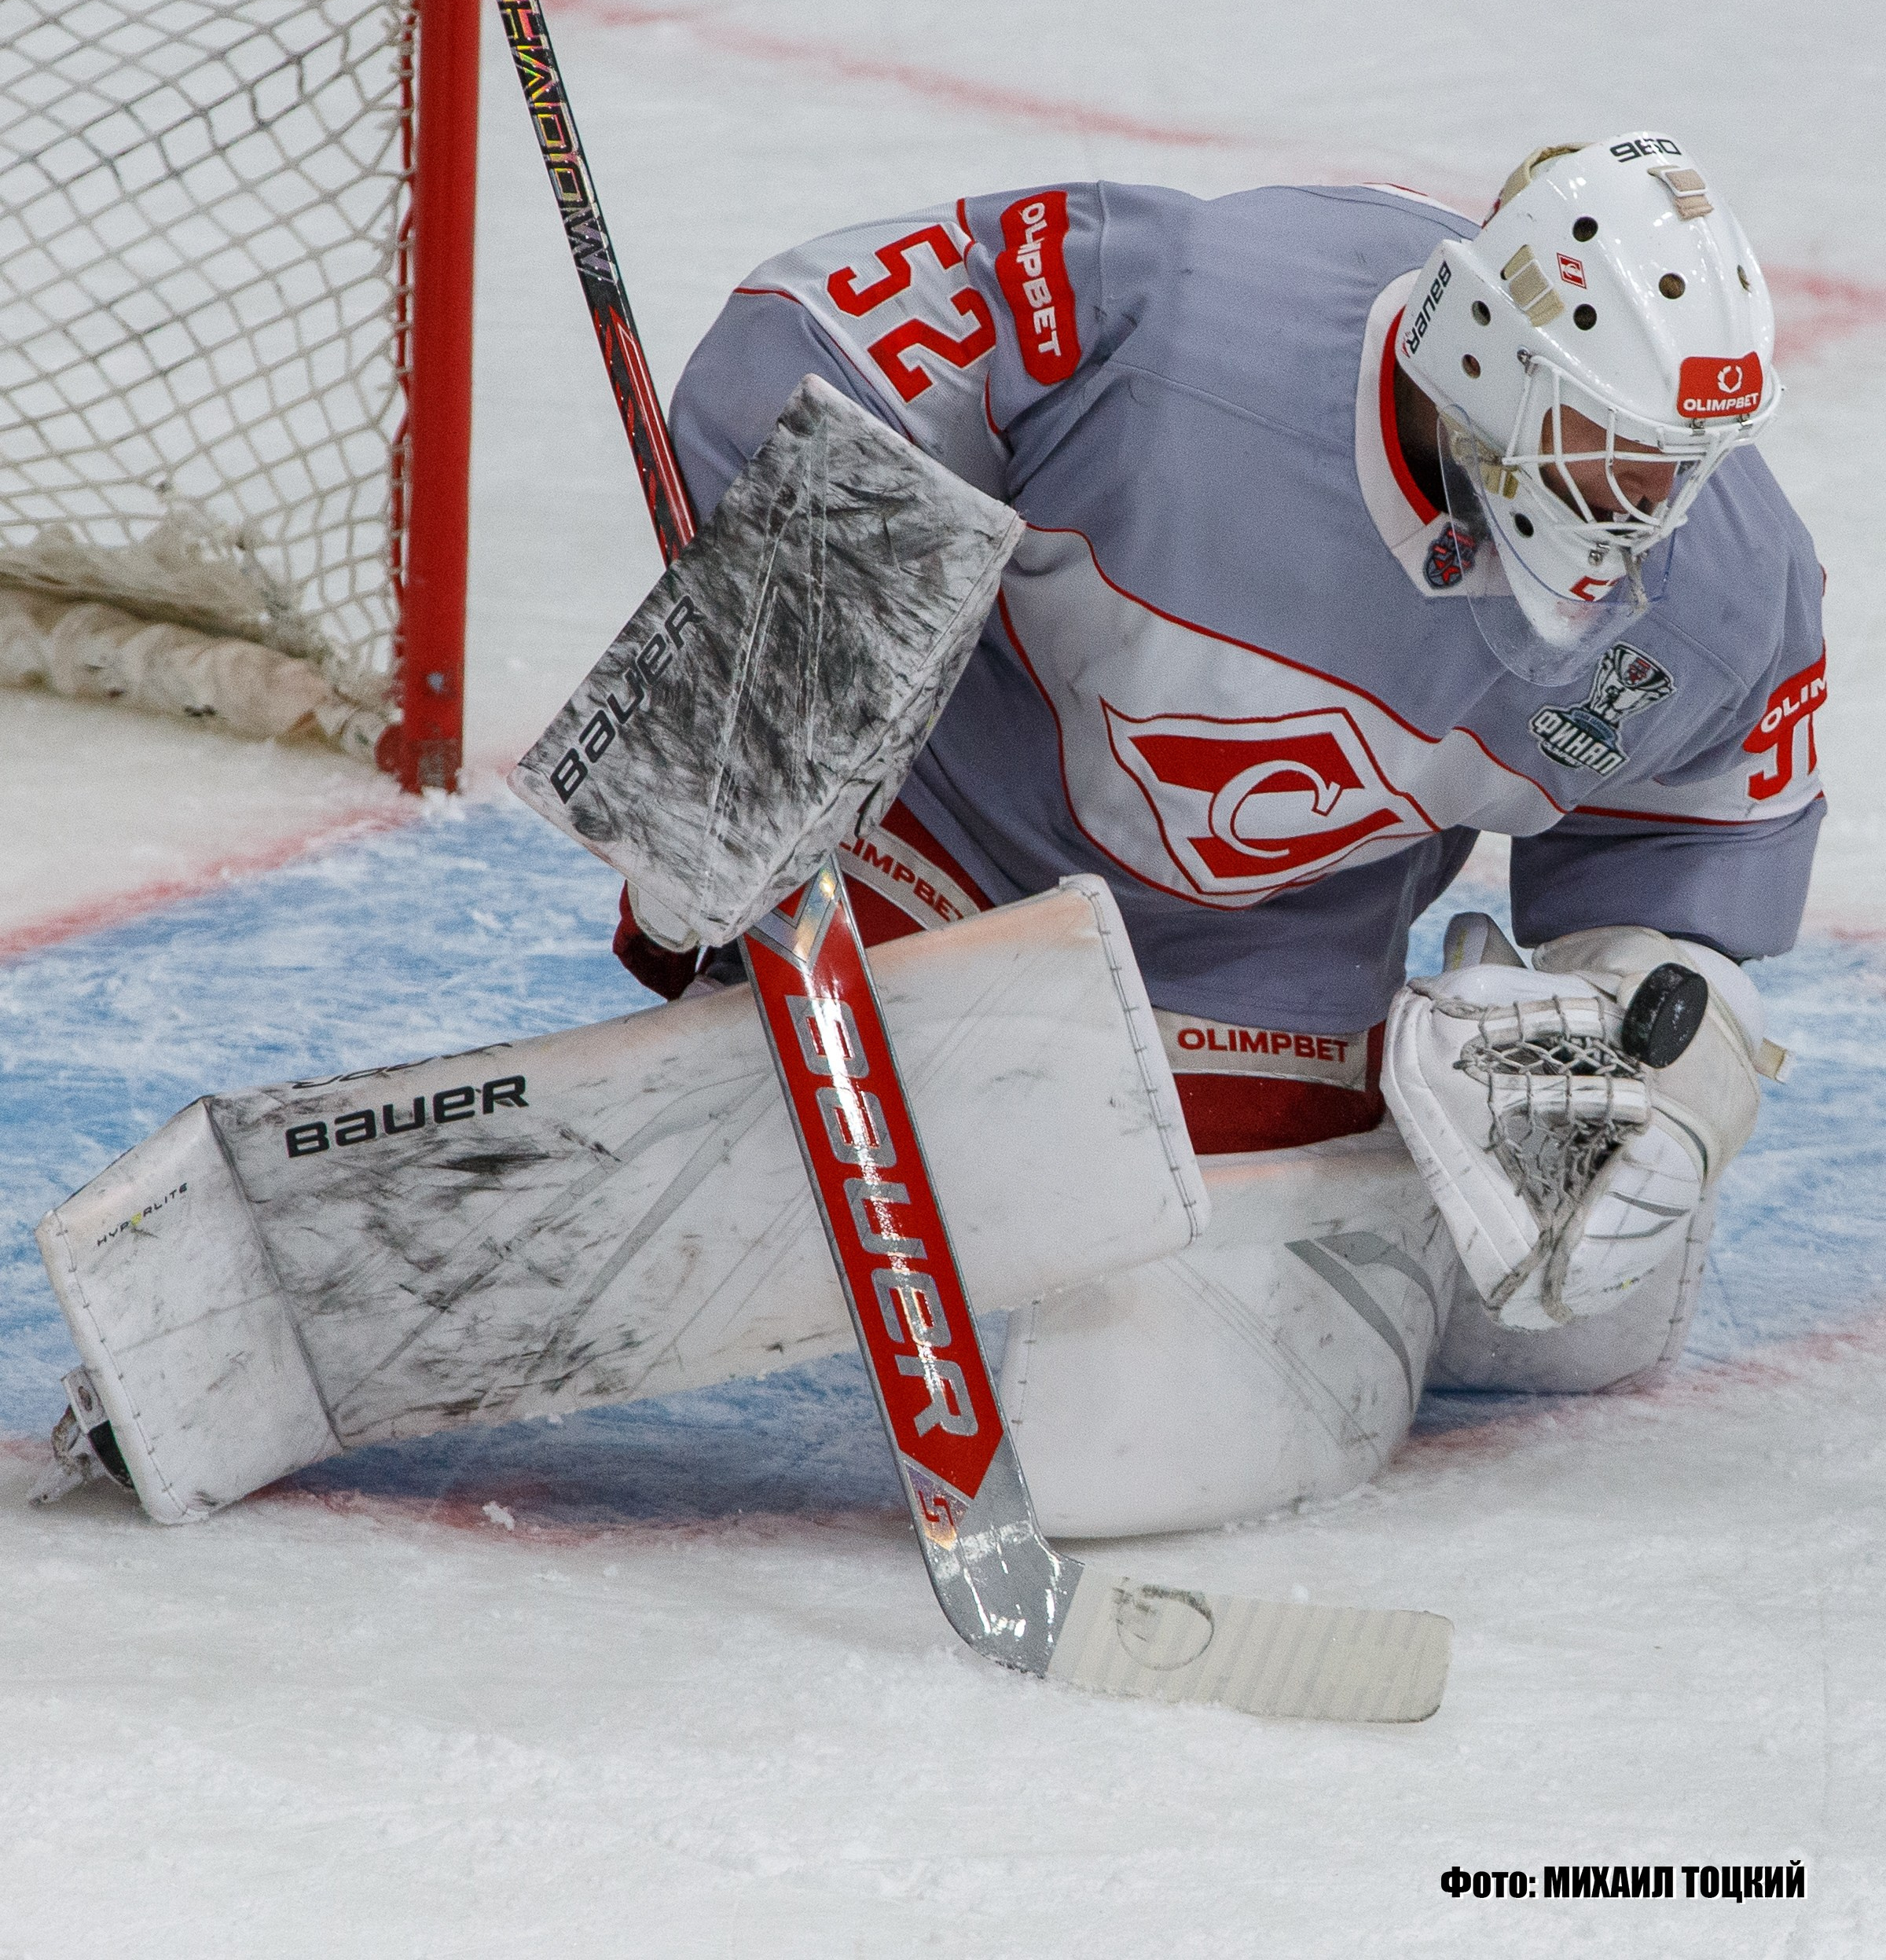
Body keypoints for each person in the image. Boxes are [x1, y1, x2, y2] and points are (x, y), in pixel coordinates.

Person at [615, 136, 1823, 1535]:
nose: (1645, 511)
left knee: (1123, 1444)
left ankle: (1435, 1221)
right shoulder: (1181, 313)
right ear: (1490, 356)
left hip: (1256, 968)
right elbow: (820, 331)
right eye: (1612, 447)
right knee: (737, 1075)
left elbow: (1696, 852)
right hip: (939, 821)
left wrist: (1663, 1063)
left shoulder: (1722, 583)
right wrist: (756, 693)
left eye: (1677, 465)